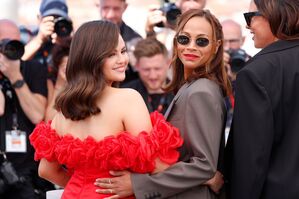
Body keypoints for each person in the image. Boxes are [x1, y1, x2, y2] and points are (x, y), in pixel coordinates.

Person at [29, 20, 183, 199]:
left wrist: (87, 186)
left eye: (123, 51)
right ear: (91, 58)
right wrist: (199, 174)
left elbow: (46, 170)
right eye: (111, 54)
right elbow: (154, 164)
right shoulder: (128, 98)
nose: (122, 60)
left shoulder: (63, 110)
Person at [95, 9, 231, 199]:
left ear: (216, 46)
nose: (191, 47)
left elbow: (203, 166)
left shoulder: (201, 91)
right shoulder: (191, 86)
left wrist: (138, 184)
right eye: (184, 39)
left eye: (201, 41)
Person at [225, 0, 299, 198]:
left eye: (251, 17)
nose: (248, 25)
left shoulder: (256, 73)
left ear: (274, 14)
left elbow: (249, 161)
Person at [0, 19, 48, 199]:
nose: (10, 49)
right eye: (4, 43)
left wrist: (15, 76)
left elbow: (37, 115)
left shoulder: (33, 69)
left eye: (15, 43)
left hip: (27, 171)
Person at [122, 38, 174, 114]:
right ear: (137, 66)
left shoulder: (180, 93)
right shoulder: (125, 94)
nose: (153, 76)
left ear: (168, 63)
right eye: (146, 69)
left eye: (157, 69)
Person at [96, 0, 142, 84]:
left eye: (116, 9)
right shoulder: (88, 37)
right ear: (98, 6)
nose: (110, 15)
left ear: (125, 7)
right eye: (105, 8)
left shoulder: (135, 40)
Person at [45, 37, 71, 121]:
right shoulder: (49, 84)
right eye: (65, 65)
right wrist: (60, 85)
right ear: (58, 65)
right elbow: (49, 120)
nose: (68, 69)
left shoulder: (84, 86)